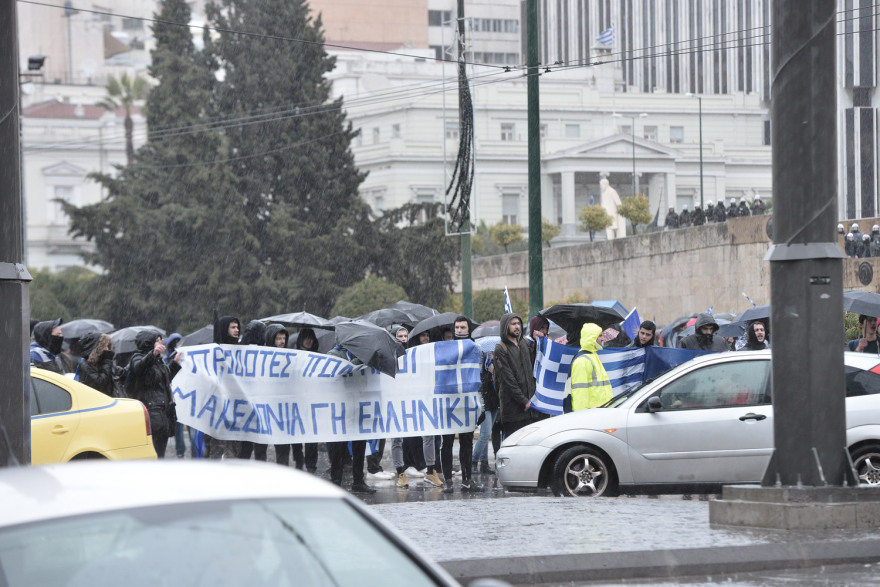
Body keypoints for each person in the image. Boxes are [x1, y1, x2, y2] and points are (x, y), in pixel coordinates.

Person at [393, 330, 443, 489]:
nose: (402, 339)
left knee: (429, 433)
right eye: (399, 336)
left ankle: (430, 471)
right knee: (397, 438)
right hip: (399, 400)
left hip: (418, 398)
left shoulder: (416, 354)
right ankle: (400, 473)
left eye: (404, 336)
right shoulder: (391, 356)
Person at [326, 343, 376, 494]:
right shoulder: (333, 354)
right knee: (338, 447)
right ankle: (336, 481)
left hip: (358, 403)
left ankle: (358, 481)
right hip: (341, 406)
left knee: (359, 444)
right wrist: (360, 361)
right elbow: (341, 371)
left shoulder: (359, 352)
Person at [440, 316, 482, 493]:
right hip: (449, 403)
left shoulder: (475, 348)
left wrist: (482, 405)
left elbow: (481, 377)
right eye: (457, 327)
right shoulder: (445, 349)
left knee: (466, 443)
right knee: (447, 443)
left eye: (463, 327)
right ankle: (448, 481)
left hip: (468, 402)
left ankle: (467, 480)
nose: (459, 330)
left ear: (468, 329)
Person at [128, 330, 181, 458]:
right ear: (149, 343)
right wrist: (153, 354)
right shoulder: (137, 357)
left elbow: (164, 380)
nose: (161, 342)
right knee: (151, 456)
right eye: (158, 340)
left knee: (160, 455)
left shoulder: (159, 361)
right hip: (151, 415)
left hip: (163, 415)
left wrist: (174, 364)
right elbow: (139, 368)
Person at [494, 312, 536, 438]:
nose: (517, 326)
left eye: (518, 323)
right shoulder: (500, 349)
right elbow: (508, 380)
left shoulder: (524, 343)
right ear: (505, 326)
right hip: (512, 411)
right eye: (513, 324)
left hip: (530, 410)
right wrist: (524, 401)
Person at [205, 315, 241, 459]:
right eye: (233, 327)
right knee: (216, 450)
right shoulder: (214, 351)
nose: (237, 330)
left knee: (235, 451)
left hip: (236, 410)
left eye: (237, 327)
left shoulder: (242, 351)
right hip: (218, 411)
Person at [238, 321, 270, 462]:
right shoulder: (265, 352)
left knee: (246, 450)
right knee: (257, 448)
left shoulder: (239, 350)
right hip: (257, 408)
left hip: (248, 409)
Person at [293, 328, 321, 473]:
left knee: (311, 436)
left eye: (311, 338)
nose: (309, 341)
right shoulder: (293, 356)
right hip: (297, 401)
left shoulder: (318, 357)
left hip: (312, 401)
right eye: (306, 338)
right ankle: (299, 460)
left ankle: (311, 465)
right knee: (296, 435)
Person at [570, 323, 612, 411]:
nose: (603, 338)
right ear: (592, 338)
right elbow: (580, 393)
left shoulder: (593, 356)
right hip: (591, 415)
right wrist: (581, 417)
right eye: (600, 336)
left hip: (600, 412)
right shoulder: (582, 360)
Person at [472, 349, 499, 475]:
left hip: (494, 402)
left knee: (487, 433)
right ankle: (473, 461)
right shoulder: (479, 366)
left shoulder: (494, 362)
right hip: (484, 404)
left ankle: (484, 463)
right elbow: (480, 386)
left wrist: (495, 369)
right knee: (485, 433)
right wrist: (489, 373)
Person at [76, 331, 116, 396]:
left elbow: (119, 373)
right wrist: (107, 361)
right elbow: (101, 382)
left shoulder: (102, 362)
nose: (108, 349)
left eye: (108, 346)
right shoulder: (86, 364)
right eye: (105, 346)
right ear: (97, 348)